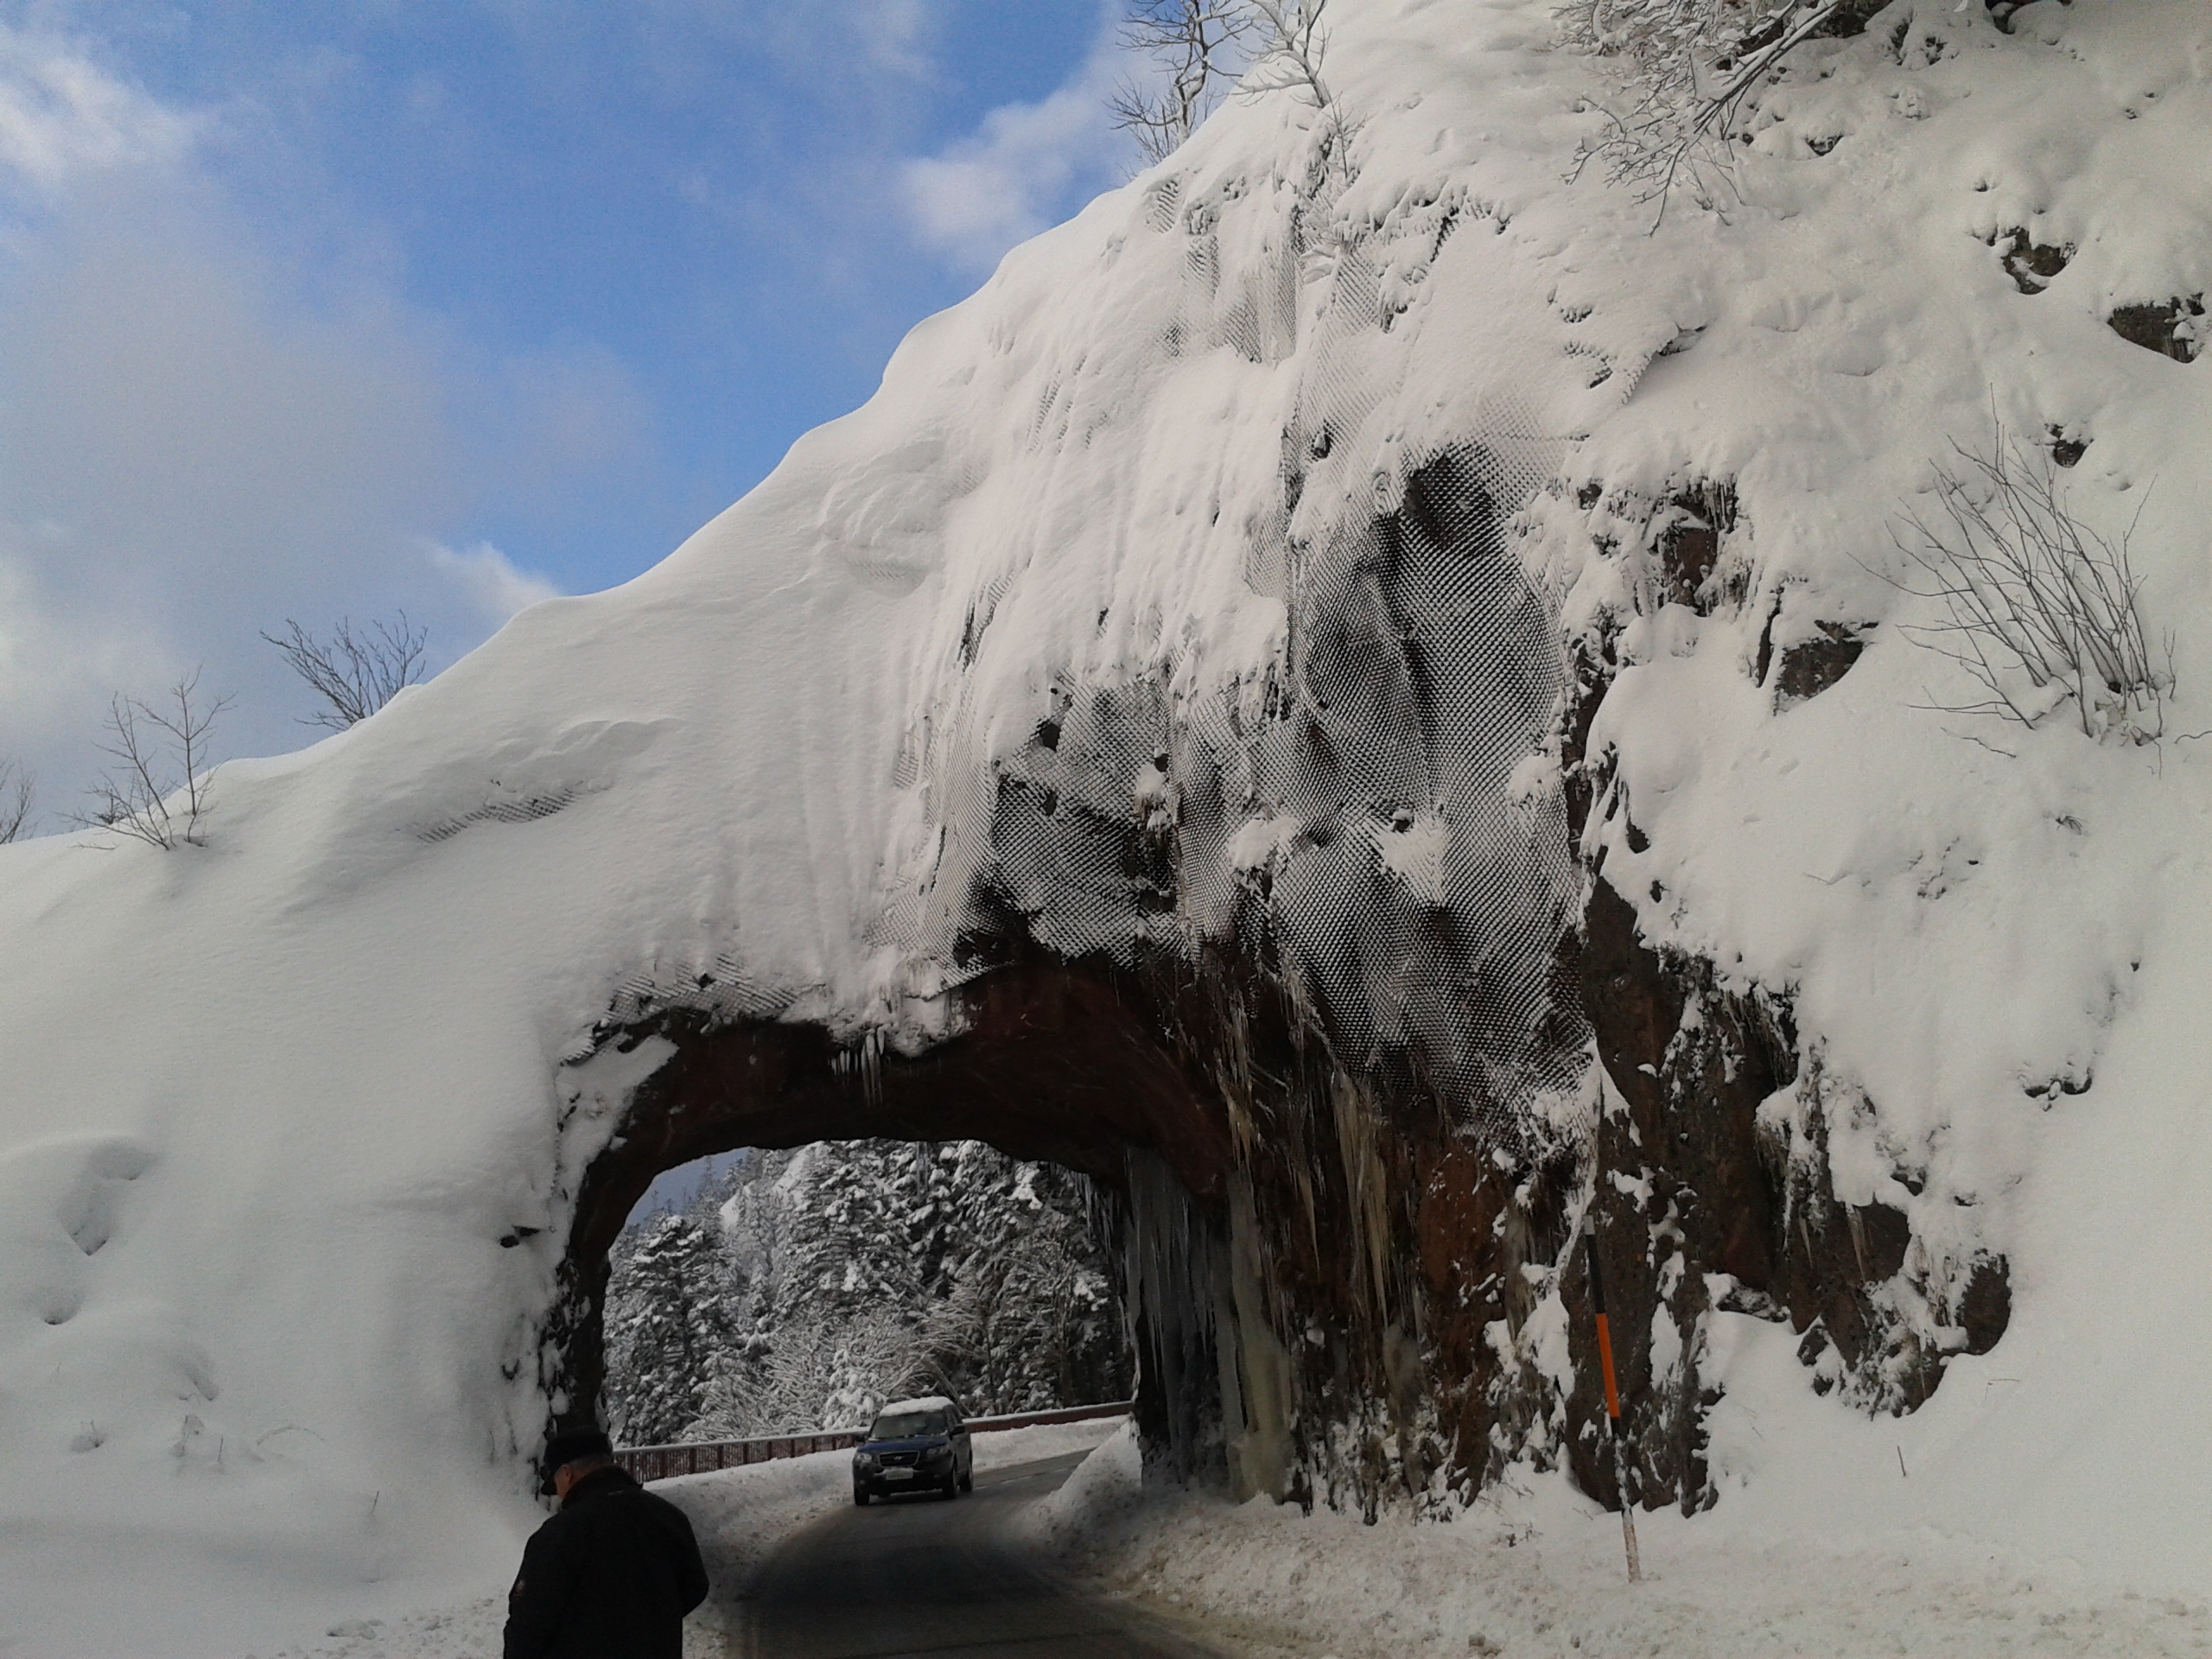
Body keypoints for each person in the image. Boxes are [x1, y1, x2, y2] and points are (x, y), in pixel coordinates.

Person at [503, 1426, 710, 1659]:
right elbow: (695, 1586)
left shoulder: (560, 1534)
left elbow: (529, 1623)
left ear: (567, 1473)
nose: (558, 1494)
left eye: (556, 1484)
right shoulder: (667, 1516)